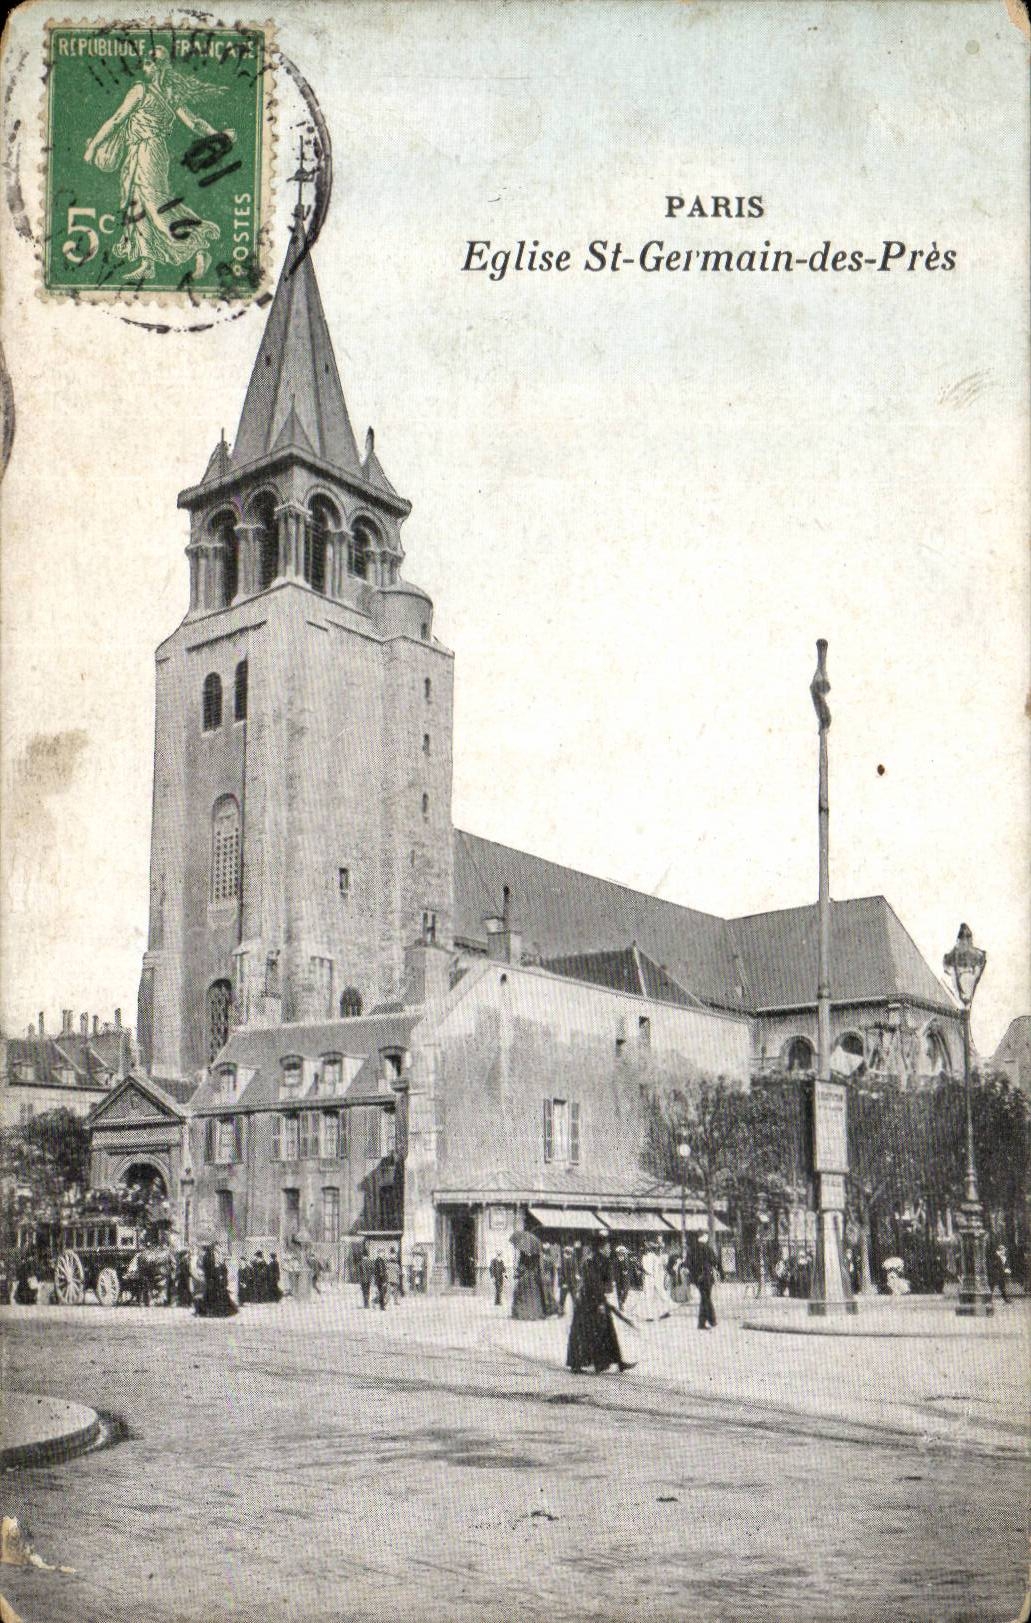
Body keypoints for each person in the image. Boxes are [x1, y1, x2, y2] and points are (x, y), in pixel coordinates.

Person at [82, 46, 230, 282]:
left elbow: (117, 119)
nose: (144, 68)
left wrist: (93, 147)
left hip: (146, 151)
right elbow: (195, 123)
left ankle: (197, 246)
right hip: (148, 152)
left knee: (152, 203)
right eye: (145, 64)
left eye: (149, 64)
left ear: (161, 67)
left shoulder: (141, 90)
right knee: (137, 203)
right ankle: (148, 261)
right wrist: (218, 134)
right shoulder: (171, 96)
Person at [566, 1241, 635, 1374]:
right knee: (587, 1334)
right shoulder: (594, 1261)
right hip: (588, 1303)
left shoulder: (600, 1260)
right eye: (608, 1247)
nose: (610, 1249)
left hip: (592, 1300)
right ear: (601, 1248)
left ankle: (618, 1362)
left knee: (606, 1331)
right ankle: (580, 1364)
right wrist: (600, 1303)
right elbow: (594, 1283)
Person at [511, 1247, 552, 1320]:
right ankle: (530, 1313)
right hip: (530, 1277)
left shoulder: (531, 1255)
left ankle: (527, 1313)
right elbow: (538, 1267)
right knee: (529, 1294)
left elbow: (536, 1266)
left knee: (528, 1294)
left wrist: (520, 1270)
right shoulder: (529, 1254)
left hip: (529, 1277)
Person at [640, 1239, 673, 1321]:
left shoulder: (653, 1257)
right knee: (652, 1296)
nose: (646, 1249)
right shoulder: (647, 1257)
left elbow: (654, 1268)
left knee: (658, 1295)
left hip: (653, 1277)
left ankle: (664, 1312)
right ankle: (652, 1315)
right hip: (650, 1277)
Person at [693, 1235, 720, 1331]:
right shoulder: (708, 1249)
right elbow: (715, 1261)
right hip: (706, 1276)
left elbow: (689, 1263)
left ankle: (707, 1321)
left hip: (697, 1277)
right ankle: (709, 1321)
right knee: (706, 1299)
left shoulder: (693, 1250)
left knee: (705, 1298)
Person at [558, 1246, 578, 1315]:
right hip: (565, 1281)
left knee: (574, 1297)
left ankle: (576, 1310)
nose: (569, 1253)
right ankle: (561, 1311)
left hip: (572, 1281)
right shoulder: (562, 1260)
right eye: (567, 1251)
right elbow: (560, 1272)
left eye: (570, 1251)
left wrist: (577, 1275)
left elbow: (576, 1269)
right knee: (562, 1297)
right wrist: (562, 1282)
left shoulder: (573, 1259)